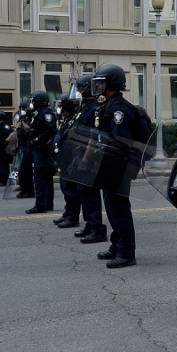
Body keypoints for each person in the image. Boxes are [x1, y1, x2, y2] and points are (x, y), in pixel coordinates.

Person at [85, 64, 136, 268]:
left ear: (111, 83)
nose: (98, 86)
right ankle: (117, 245)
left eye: (101, 82)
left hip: (118, 168)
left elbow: (119, 141)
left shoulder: (119, 109)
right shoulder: (106, 105)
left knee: (119, 209)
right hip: (107, 167)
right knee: (112, 208)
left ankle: (126, 252)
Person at [68, 74, 108, 243]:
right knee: (83, 192)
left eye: (79, 89)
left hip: (89, 157)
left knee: (89, 193)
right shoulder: (86, 107)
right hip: (80, 154)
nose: (77, 93)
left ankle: (97, 228)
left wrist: (85, 159)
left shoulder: (94, 107)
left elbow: (92, 136)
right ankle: (90, 225)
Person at [53, 92, 82, 228]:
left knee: (71, 191)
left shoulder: (76, 120)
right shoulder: (66, 120)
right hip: (63, 159)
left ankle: (72, 217)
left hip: (71, 160)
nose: (60, 110)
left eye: (62, 106)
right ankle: (67, 214)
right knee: (65, 189)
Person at [25, 91, 57, 214]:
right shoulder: (41, 114)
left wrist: (35, 140)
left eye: (33, 100)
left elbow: (50, 130)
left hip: (42, 150)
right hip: (41, 150)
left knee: (40, 178)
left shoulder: (46, 114)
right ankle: (47, 204)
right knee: (46, 178)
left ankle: (41, 205)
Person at [15, 102, 35, 198]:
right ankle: (24, 189)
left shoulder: (33, 118)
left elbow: (31, 130)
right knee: (22, 170)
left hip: (28, 146)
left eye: (24, 108)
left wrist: (23, 123)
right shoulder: (25, 118)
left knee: (26, 170)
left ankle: (29, 191)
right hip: (22, 146)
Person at [0, 110, 12, 185]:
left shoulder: (4, 125)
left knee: (3, 164)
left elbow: (10, 133)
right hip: (1, 148)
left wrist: (5, 141)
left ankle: (4, 180)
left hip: (4, 148)